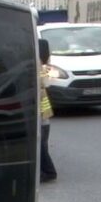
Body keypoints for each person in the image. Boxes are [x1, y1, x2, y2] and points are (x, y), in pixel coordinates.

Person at [38, 39, 57, 183]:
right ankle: (46, 170)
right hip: (44, 114)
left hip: (41, 114)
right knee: (42, 144)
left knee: (42, 145)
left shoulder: (41, 66)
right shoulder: (45, 67)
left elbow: (45, 83)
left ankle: (49, 171)